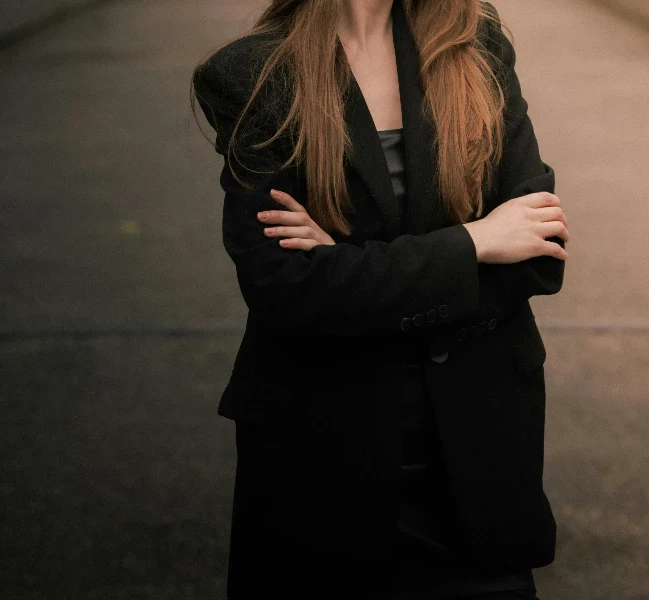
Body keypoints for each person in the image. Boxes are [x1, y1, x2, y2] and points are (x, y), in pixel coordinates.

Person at [191, 0, 569, 597]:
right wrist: (474, 241)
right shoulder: (254, 74)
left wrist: (345, 262)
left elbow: (537, 252)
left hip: (476, 454)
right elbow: (286, 289)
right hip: (323, 462)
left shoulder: (475, 44)